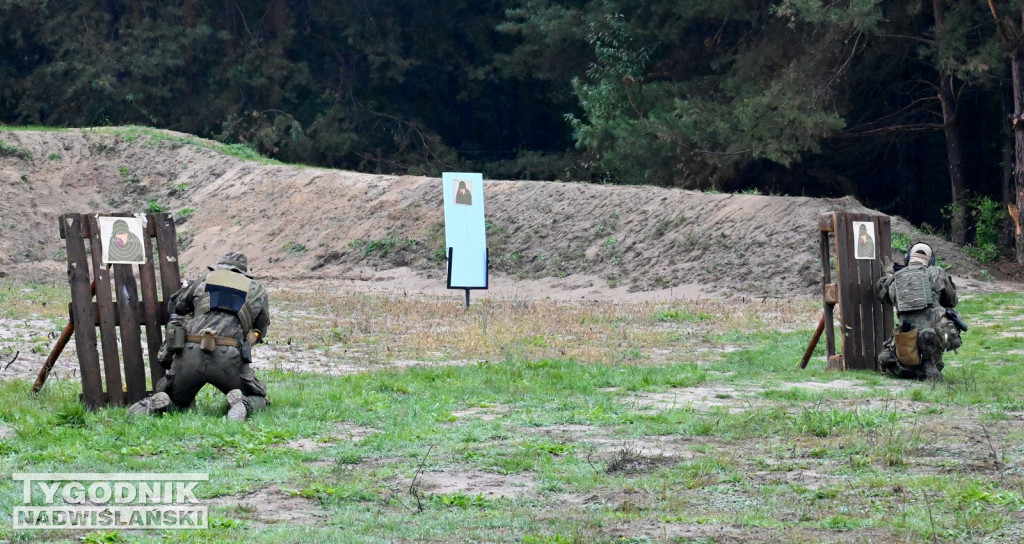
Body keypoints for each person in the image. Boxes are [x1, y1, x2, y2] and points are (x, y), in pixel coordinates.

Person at [128, 252, 270, 420]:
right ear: (243, 271)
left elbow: (175, 306)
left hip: (190, 352)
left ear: (220, 266)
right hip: (229, 358)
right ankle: (243, 405)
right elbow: (261, 328)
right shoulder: (257, 289)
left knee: (178, 401)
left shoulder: (204, 278)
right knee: (259, 397)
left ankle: (157, 404)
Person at [874, 243, 962, 381]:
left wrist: (888, 273)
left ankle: (914, 370)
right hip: (933, 335)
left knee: (886, 357)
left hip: (908, 337)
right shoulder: (937, 272)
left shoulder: (896, 278)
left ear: (908, 258)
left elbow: (882, 293)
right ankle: (930, 364)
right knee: (953, 314)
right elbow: (951, 301)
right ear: (931, 260)